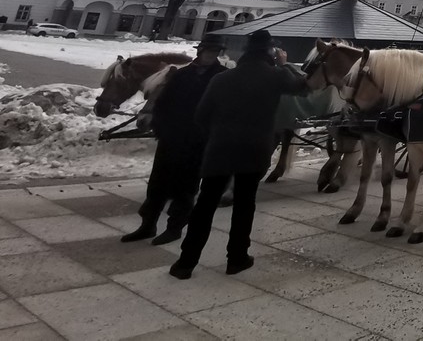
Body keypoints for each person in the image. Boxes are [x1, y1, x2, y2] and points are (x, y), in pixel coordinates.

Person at [170, 29, 308, 280]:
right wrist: (284, 65)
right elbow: (303, 87)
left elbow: (201, 117)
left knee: (204, 206)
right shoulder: (275, 76)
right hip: (254, 150)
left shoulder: (222, 79)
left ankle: (185, 262)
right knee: (245, 205)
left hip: (220, 150)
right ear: (269, 52)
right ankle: (236, 258)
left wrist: (218, 134)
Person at [122, 40, 227, 245]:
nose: (210, 55)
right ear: (200, 52)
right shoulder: (181, 74)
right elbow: (163, 101)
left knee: (185, 186)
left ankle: (175, 227)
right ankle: (147, 225)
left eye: (215, 52)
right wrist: (159, 125)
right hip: (171, 137)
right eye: (208, 51)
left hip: (197, 141)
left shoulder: (221, 77)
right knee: (157, 184)